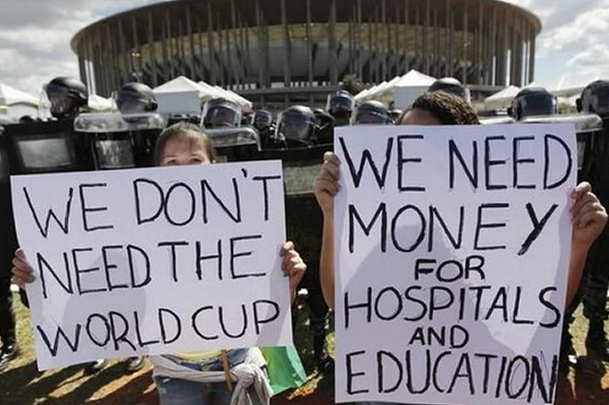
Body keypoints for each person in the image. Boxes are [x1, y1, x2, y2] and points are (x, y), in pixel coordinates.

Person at [312, 91, 608, 405]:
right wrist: (332, 214)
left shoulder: (502, 223)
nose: (412, 156)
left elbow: (541, 310)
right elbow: (337, 300)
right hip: (387, 388)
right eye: (402, 144)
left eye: (429, 147)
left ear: (466, 151)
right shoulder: (382, 224)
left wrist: (579, 245)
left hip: (469, 387)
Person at [12, 122, 307, 405]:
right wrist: (39, 283)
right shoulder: (132, 232)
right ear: (157, 170)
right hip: (175, 373)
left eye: (195, 160)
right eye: (172, 162)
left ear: (214, 165)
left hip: (238, 362)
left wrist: (286, 284)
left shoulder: (244, 223)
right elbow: (92, 291)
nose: (184, 171)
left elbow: (268, 310)